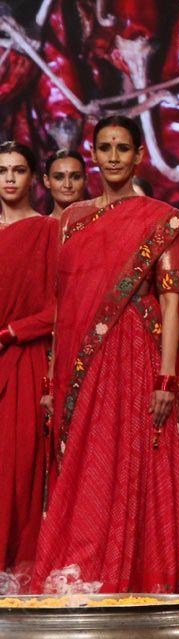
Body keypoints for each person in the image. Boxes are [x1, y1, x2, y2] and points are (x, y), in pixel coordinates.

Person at [29, 116, 179, 595]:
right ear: (93, 154)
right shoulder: (71, 218)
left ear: (139, 155)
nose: (113, 157)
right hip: (81, 363)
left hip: (136, 356)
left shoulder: (161, 219)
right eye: (105, 147)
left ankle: (137, 572)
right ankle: (82, 563)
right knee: (84, 461)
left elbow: (173, 301)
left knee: (133, 458)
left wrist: (167, 378)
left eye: (123, 148)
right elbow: (62, 303)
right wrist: (52, 380)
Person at [0, 143, 57, 576]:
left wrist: (14, 331)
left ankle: (14, 565)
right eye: (2, 170)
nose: (10, 178)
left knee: (18, 468)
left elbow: (60, 307)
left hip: (23, 358)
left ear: (34, 178)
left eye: (19, 170)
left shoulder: (47, 230)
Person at [41, 149, 87, 218]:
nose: (67, 185)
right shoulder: (38, 227)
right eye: (58, 177)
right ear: (47, 181)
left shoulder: (99, 225)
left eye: (76, 177)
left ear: (85, 180)